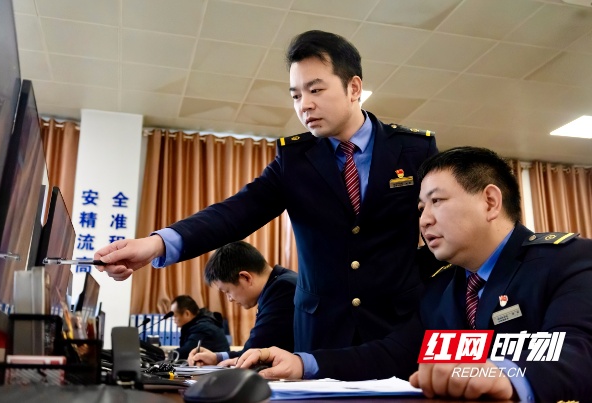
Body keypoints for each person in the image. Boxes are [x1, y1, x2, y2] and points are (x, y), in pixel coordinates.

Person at [94, 30, 437, 351]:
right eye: (296, 95)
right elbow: (235, 213)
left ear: (354, 87)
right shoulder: (295, 160)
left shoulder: (413, 150)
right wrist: (155, 244)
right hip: (322, 333)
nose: (304, 105)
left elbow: (444, 233)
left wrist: (411, 280)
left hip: (399, 325)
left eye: (316, 90)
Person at [235, 147, 592, 402]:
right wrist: (302, 363)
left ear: (490, 202)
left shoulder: (568, 261)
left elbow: (578, 352)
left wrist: (503, 374)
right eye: (420, 208)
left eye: (437, 201)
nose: (424, 220)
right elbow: (394, 353)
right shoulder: (442, 287)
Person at [188, 241, 297, 366]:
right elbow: (254, 350)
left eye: (227, 291)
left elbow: (256, 348)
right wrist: (216, 357)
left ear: (246, 277)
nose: (229, 299)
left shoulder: (283, 289)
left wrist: (220, 359)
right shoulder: (277, 284)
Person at [170, 295, 230, 359]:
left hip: (220, 364)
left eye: (175, 316)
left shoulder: (203, 327)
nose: (174, 319)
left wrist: (166, 354)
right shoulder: (200, 322)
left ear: (187, 314)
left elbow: (186, 352)